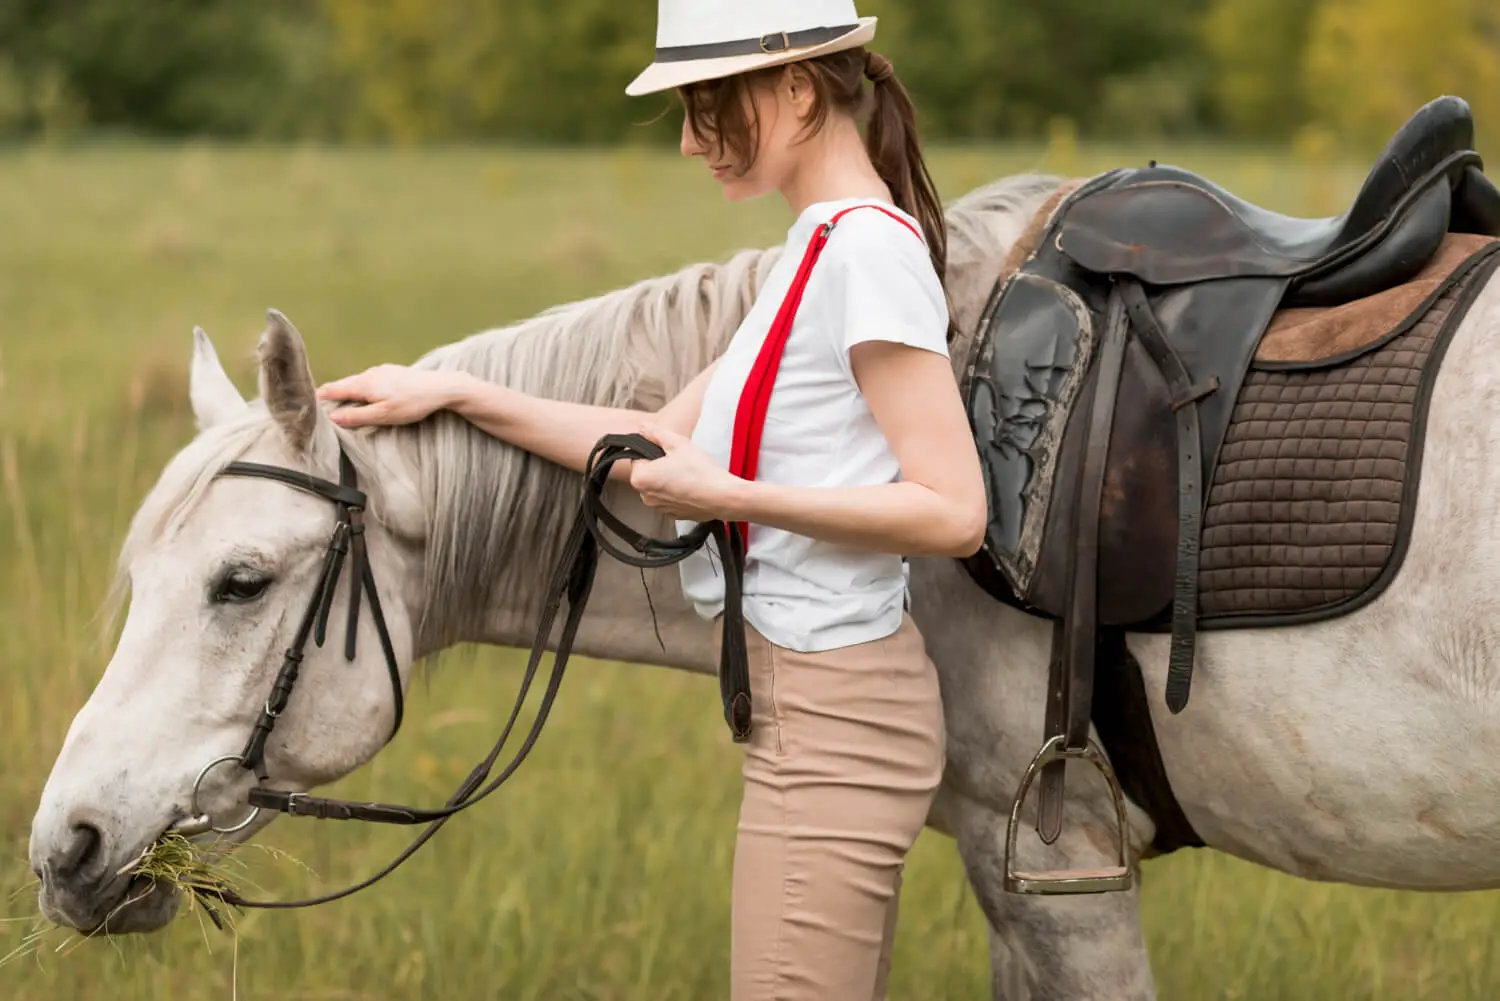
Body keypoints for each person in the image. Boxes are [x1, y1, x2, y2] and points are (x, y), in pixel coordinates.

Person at [314, 2, 987, 997]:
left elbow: (951, 507)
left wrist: (733, 493)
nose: (686, 140)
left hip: (838, 718)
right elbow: (649, 445)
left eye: (705, 104)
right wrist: (454, 391)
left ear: (797, 88)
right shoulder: (819, 248)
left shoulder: (866, 256)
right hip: (811, 710)